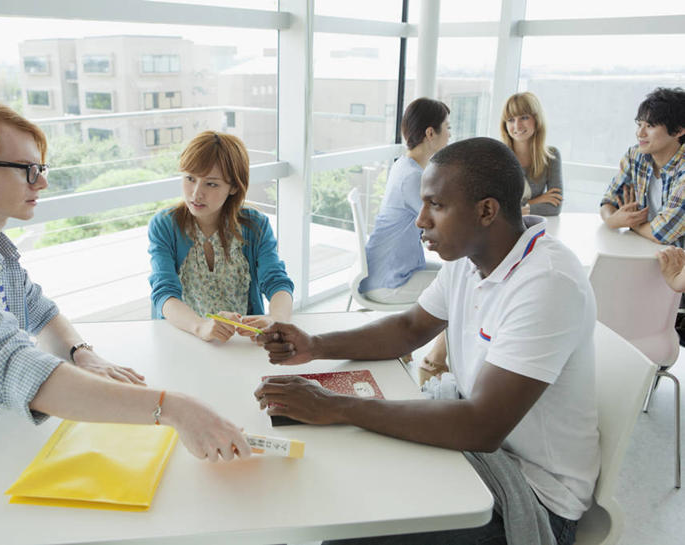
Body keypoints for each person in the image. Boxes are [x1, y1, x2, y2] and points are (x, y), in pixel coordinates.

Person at [0, 97, 251, 545]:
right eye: (28, 169)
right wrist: (174, 409)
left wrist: (82, 354)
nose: (43, 181)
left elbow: (40, 309)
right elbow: (20, 369)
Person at [255, 137, 599, 545]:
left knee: (349, 536)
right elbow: (409, 329)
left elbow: (481, 426)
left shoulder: (547, 283)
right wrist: (316, 346)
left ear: (486, 211)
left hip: (534, 494)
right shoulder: (470, 259)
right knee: (345, 489)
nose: (420, 220)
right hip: (481, 456)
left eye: (435, 205)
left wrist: (335, 406)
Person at [148, 131, 293, 342]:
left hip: (241, 341)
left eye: (212, 184)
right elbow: (164, 293)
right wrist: (200, 327)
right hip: (185, 336)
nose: (196, 193)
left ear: (233, 186)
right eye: (190, 178)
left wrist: (277, 320)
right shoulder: (165, 225)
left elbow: (276, 281)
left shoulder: (255, 225)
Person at [358, 97, 449, 305]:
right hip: (388, 282)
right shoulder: (412, 177)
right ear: (430, 133)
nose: (450, 135)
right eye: (447, 128)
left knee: (455, 277)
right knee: (457, 286)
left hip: (389, 271)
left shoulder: (405, 166)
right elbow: (441, 224)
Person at [600, 87, 685, 246]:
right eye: (639, 124)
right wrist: (612, 220)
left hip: (677, 265)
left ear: (679, 130)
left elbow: (662, 233)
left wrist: (631, 223)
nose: (640, 133)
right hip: (639, 250)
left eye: (650, 126)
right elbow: (608, 201)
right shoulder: (636, 156)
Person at [500, 91, 563, 217]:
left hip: (534, 228)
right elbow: (499, 211)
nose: (517, 126)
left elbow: (554, 207)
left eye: (524, 117)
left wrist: (517, 209)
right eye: (511, 120)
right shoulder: (499, 157)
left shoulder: (552, 155)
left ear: (537, 120)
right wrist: (537, 201)